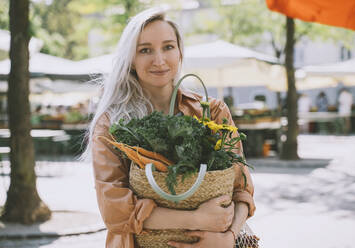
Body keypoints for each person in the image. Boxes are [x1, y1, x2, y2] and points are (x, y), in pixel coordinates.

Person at [82, 7, 255, 248]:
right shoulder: (113, 125)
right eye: (145, 50)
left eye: (168, 47)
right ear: (131, 60)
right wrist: (196, 219)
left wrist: (229, 237)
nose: (159, 60)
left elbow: (242, 189)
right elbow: (114, 209)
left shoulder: (212, 112)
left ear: (180, 52)